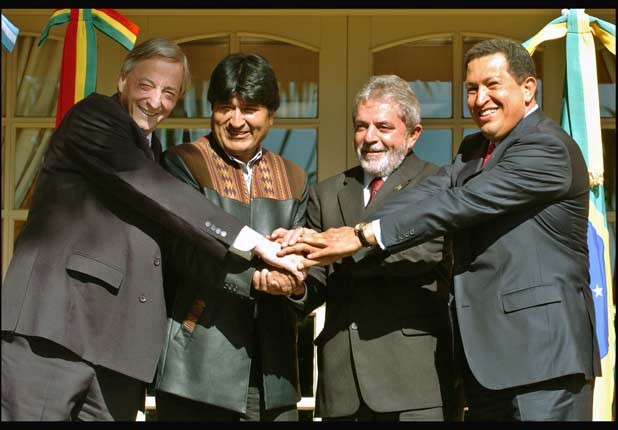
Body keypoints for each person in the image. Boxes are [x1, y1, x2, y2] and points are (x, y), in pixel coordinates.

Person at [282, 39, 601, 421]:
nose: (480, 99)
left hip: (543, 361)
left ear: (528, 88)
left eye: (492, 85)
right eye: (471, 89)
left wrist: (362, 237)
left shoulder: (546, 147)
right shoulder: (473, 149)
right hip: (486, 367)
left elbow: (459, 203)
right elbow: (426, 194)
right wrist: (352, 230)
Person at [1, 38, 302, 422]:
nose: (156, 101)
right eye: (146, 85)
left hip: (117, 352)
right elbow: (154, 189)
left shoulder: (154, 151)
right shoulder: (93, 117)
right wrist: (253, 242)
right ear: (122, 80)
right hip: (55, 332)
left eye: (169, 93)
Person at [272, 75, 458, 421]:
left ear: (413, 134)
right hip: (342, 384)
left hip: (414, 383)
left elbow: (424, 253)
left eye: (383, 127)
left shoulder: (436, 184)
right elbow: (317, 278)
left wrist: (346, 245)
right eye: (361, 126)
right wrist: (294, 283)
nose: (369, 137)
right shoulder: (327, 193)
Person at [153, 53, 307, 422]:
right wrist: (254, 278)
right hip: (197, 369)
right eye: (225, 108)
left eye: (249, 109)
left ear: (271, 115)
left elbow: (306, 257)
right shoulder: (184, 162)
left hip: (274, 374)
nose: (236, 121)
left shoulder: (295, 177)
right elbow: (182, 249)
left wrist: (296, 285)